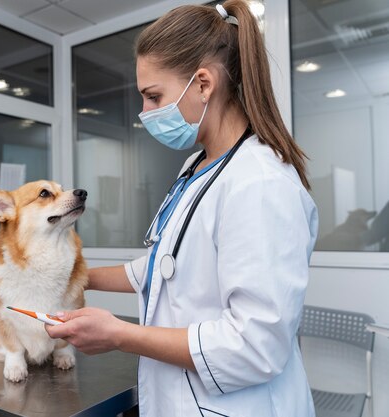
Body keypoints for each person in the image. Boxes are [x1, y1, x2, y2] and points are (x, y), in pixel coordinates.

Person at [46, 1, 319, 416]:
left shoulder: (259, 183)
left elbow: (255, 345)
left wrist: (120, 334)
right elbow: (167, 267)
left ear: (204, 84)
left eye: (154, 97)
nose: (145, 113)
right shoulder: (199, 167)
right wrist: (70, 277)